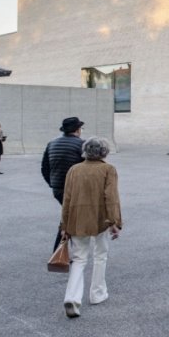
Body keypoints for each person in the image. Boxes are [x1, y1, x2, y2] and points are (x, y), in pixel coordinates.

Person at [60, 137, 122, 319]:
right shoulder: (108, 169)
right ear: (104, 152)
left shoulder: (74, 169)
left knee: (79, 258)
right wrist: (114, 222)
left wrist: (64, 224)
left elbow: (67, 199)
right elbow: (111, 197)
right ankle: (97, 293)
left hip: (77, 218)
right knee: (100, 255)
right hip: (100, 218)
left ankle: (72, 297)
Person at [42, 117, 85, 251]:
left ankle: (61, 249)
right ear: (77, 130)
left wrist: (53, 183)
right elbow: (85, 168)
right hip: (75, 188)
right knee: (71, 217)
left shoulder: (52, 143)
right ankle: (61, 251)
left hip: (58, 188)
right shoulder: (81, 144)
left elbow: (44, 168)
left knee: (70, 215)